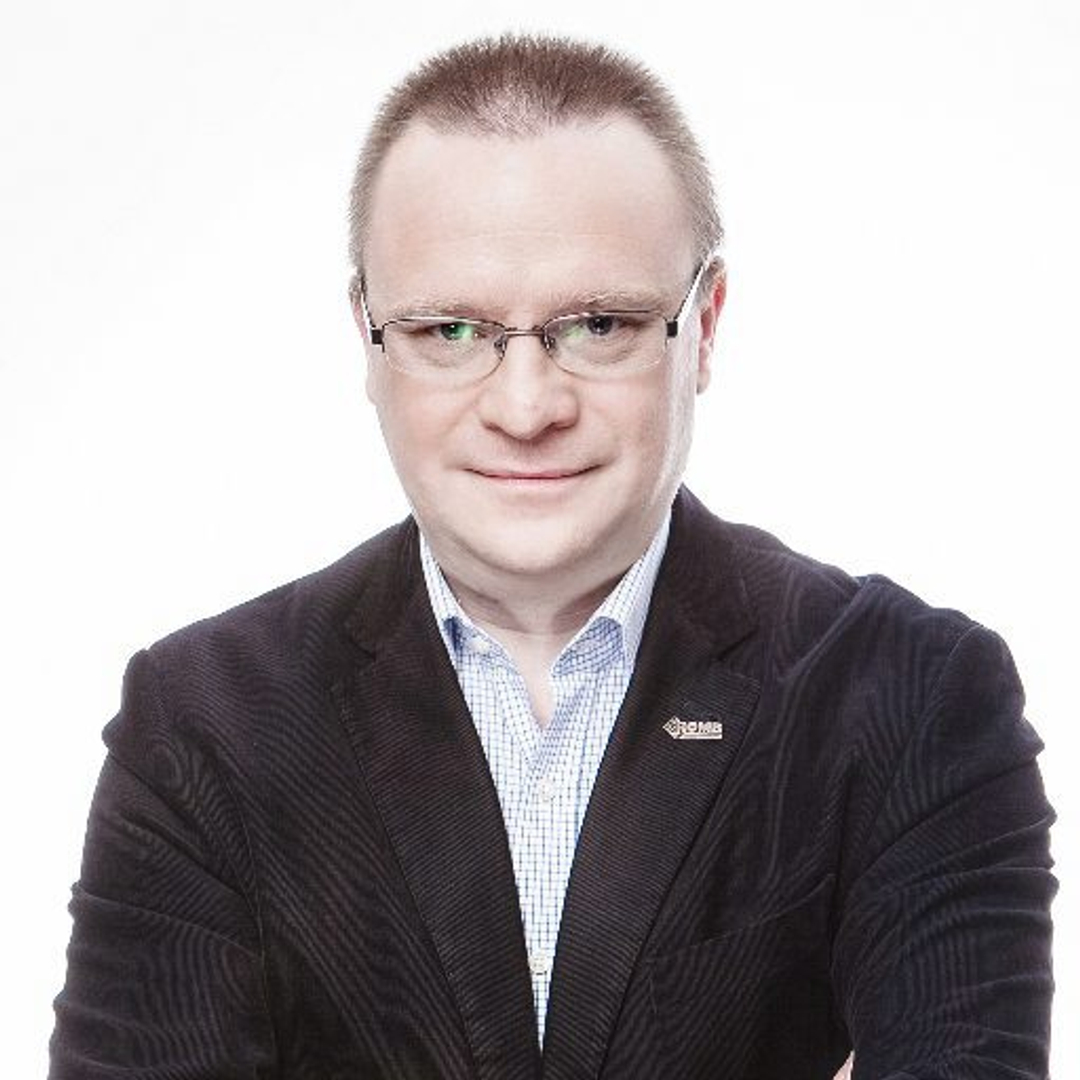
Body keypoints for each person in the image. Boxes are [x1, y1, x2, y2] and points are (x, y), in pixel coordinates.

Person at [50, 33, 1056, 1080]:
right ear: (369, 339)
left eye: (599, 325)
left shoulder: (909, 697)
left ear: (705, 326)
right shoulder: (203, 723)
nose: (526, 408)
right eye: (450, 331)